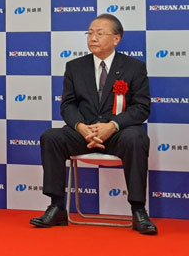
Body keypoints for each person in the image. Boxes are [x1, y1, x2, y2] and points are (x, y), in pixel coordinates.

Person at [30, 14, 157, 235]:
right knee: (51, 137)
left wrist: (113, 125)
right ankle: (57, 206)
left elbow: (141, 107)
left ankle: (138, 210)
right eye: (89, 33)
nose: (93, 38)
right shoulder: (75, 67)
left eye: (99, 33)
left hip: (118, 133)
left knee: (136, 138)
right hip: (84, 132)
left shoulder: (134, 67)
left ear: (116, 39)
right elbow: (68, 105)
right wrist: (80, 127)